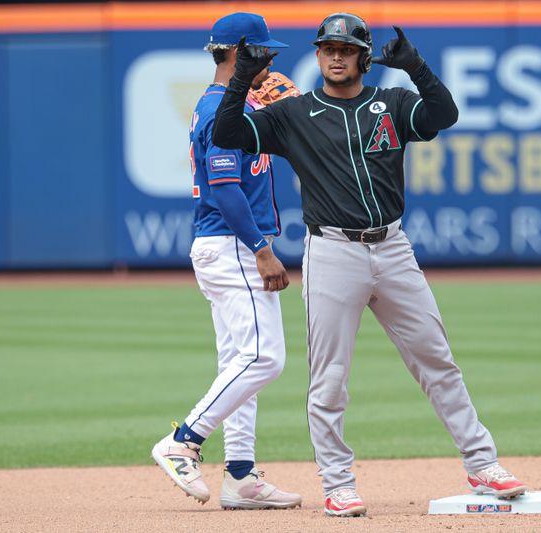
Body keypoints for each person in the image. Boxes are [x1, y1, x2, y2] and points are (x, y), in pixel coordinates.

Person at [212, 12, 526, 517]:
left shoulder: (393, 103)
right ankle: (337, 483)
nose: (336, 56)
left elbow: (444, 116)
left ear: (363, 56)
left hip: (394, 248)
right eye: (327, 48)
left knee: (437, 360)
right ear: (317, 56)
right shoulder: (292, 114)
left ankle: (482, 463)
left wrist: (416, 67)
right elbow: (228, 134)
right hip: (333, 251)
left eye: (346, 48)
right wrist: (243, 79)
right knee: (330, 378)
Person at [150, 12, 301, 510]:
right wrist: (262, 250)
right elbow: (224, 188)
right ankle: (184, 441)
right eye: (264, 51)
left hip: (224, 244)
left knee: (240, 361)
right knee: (264, 358)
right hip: (232, 244)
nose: (273, 59)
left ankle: (240, 476)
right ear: (240, 53)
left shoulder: (233, 104)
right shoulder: (219, 110)